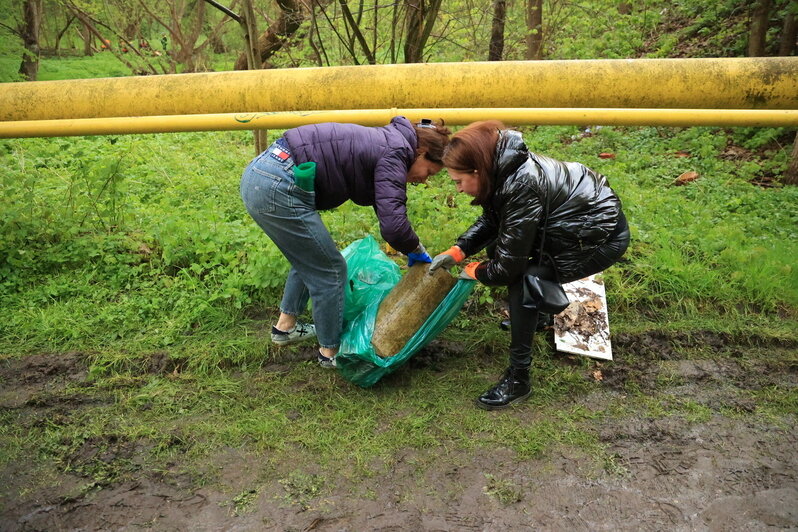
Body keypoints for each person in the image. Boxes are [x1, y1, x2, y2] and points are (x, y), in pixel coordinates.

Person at [429, 121, 630, 410]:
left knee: (525, 281)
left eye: (458, 181)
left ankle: (518, 378)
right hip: (571, 228)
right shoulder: (502, 166)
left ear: (477, 171)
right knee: (501, 252)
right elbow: (494, 219)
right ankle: (539, 318)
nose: (458, 189)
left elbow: (507, 269)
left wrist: (474, 271)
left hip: (597, 239)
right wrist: (458, 250)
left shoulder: (521, 184)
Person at [241, 117, 451, 367]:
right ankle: (330, 353)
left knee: (311, 255)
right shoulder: (396, 152)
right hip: (279, 184)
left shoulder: (389, 142)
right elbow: (393, 225)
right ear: (422, 152)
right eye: (428, 172)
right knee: (330, 270)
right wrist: (416, 249)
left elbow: (385, 205)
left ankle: (285, 327)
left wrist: (410, 246)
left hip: (263, 173)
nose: (423, 180)